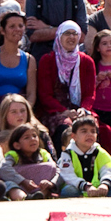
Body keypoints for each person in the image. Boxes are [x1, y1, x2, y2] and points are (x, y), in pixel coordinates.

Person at [36, 21, 97, 149]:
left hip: (79, 110)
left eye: (75, 34)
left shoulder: (86, 61)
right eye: (67, 33)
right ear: (59, 36)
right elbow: (45, 95)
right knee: (66, 128)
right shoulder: (47, 60)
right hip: (55, 110)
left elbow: (90, 94)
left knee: (96, 127)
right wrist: (65, 111)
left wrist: (83, 109)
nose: (71, 37)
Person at [56, 115, 111, 198]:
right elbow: (68, 175)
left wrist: (104, 184)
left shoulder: (98, 151)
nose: (89, 135)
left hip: (98, 187)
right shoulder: (68, 153)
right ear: (74, 136)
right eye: (84, 131)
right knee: (69, 190)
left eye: (93, 131)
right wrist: (85, 186)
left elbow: (108, 169)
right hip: (78, 187)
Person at [0, 123, 58, 200]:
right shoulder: (13, 155)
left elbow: (56, 169)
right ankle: (24, 197)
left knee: (49, 171)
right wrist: (23, 181)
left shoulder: (43, 154)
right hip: (19, 184)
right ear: (17, 145)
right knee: (10, 184)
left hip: (38, 186)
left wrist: (51, 183)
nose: (33, 139)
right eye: (26, 138)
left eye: (34, 136)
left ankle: (40, 196)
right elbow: (3, 169)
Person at [0, 11, 35, 105]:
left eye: (20, 26)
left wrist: (25, 110)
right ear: (2, 31)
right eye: (12, 26)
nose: (17, 29)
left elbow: (31, 94)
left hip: (19, 110)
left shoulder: (29, 60)